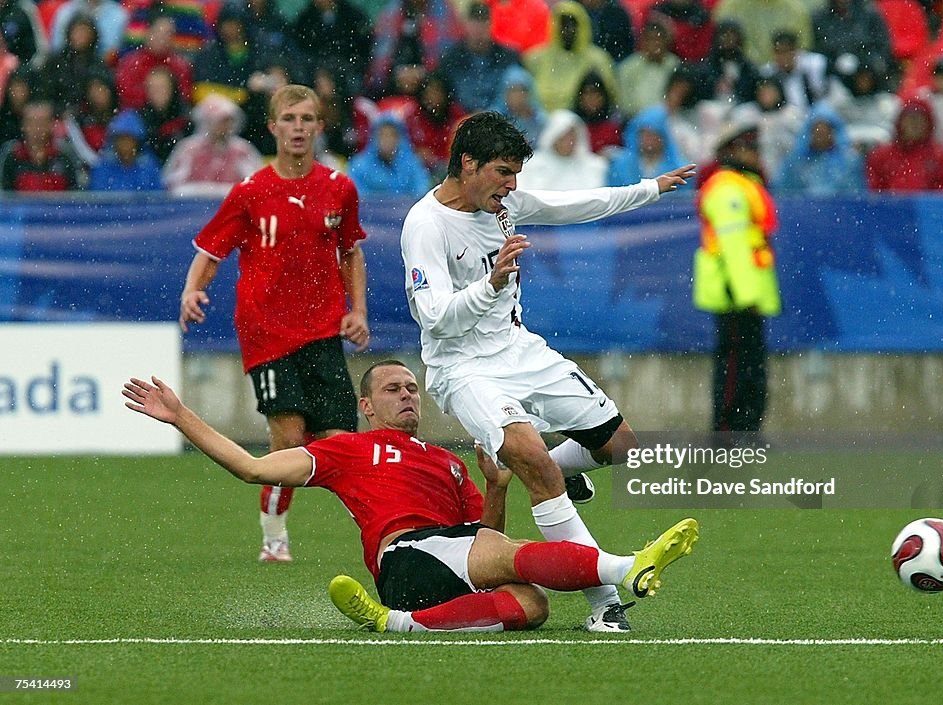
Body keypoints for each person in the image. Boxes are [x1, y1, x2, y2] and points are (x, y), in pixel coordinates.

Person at [121, 361, 700, 632]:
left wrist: (495, 487)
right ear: (367, 406)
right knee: (510, 559)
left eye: (413, 388)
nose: (407, 396)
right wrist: (179, 416)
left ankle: (403, 625)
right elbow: (251, 468)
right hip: (404, 555)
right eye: (392, 389)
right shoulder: (349, 448)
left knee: (531, 607)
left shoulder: (447, 461)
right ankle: (627, 568)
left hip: (445, 560)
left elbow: (484, 538)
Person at [399, 110, 695, 632]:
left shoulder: (503, 205)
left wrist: (649, 189)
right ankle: (605, 605)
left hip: (520, 351)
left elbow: (575, 206)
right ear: (467, 163)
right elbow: (435, 319)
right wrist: (489, 285)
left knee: (621, 447)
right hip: (463, 369)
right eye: (502, 172)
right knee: (535, 462)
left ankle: (565, 471)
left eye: (516, 174)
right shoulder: (425, 226)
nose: (512, 186)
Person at [177, 84, 370, 563]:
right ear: (273, 127)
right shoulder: (250, 192)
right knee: (288, 439)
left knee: (341, 443)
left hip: (324, 330)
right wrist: (192, 289)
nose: (299, 128)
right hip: (268, 335)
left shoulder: (339, 187)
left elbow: (351, 251)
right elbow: (210, 250)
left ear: (320, 127)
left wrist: (357, 310)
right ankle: (275, 535)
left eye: (307, 119)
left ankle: (380, 526)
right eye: (289, 119)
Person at [693, 116, 782, 438]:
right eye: (749, 147)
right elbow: (733, 245)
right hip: (736, 291)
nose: (756, 152)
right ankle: (730, 430)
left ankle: (747, 427)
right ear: (733, 150)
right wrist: (746, 295)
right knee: (736, 365)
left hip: (745, 290)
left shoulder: (743, 184)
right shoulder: (729, 187)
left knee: (749, 363)